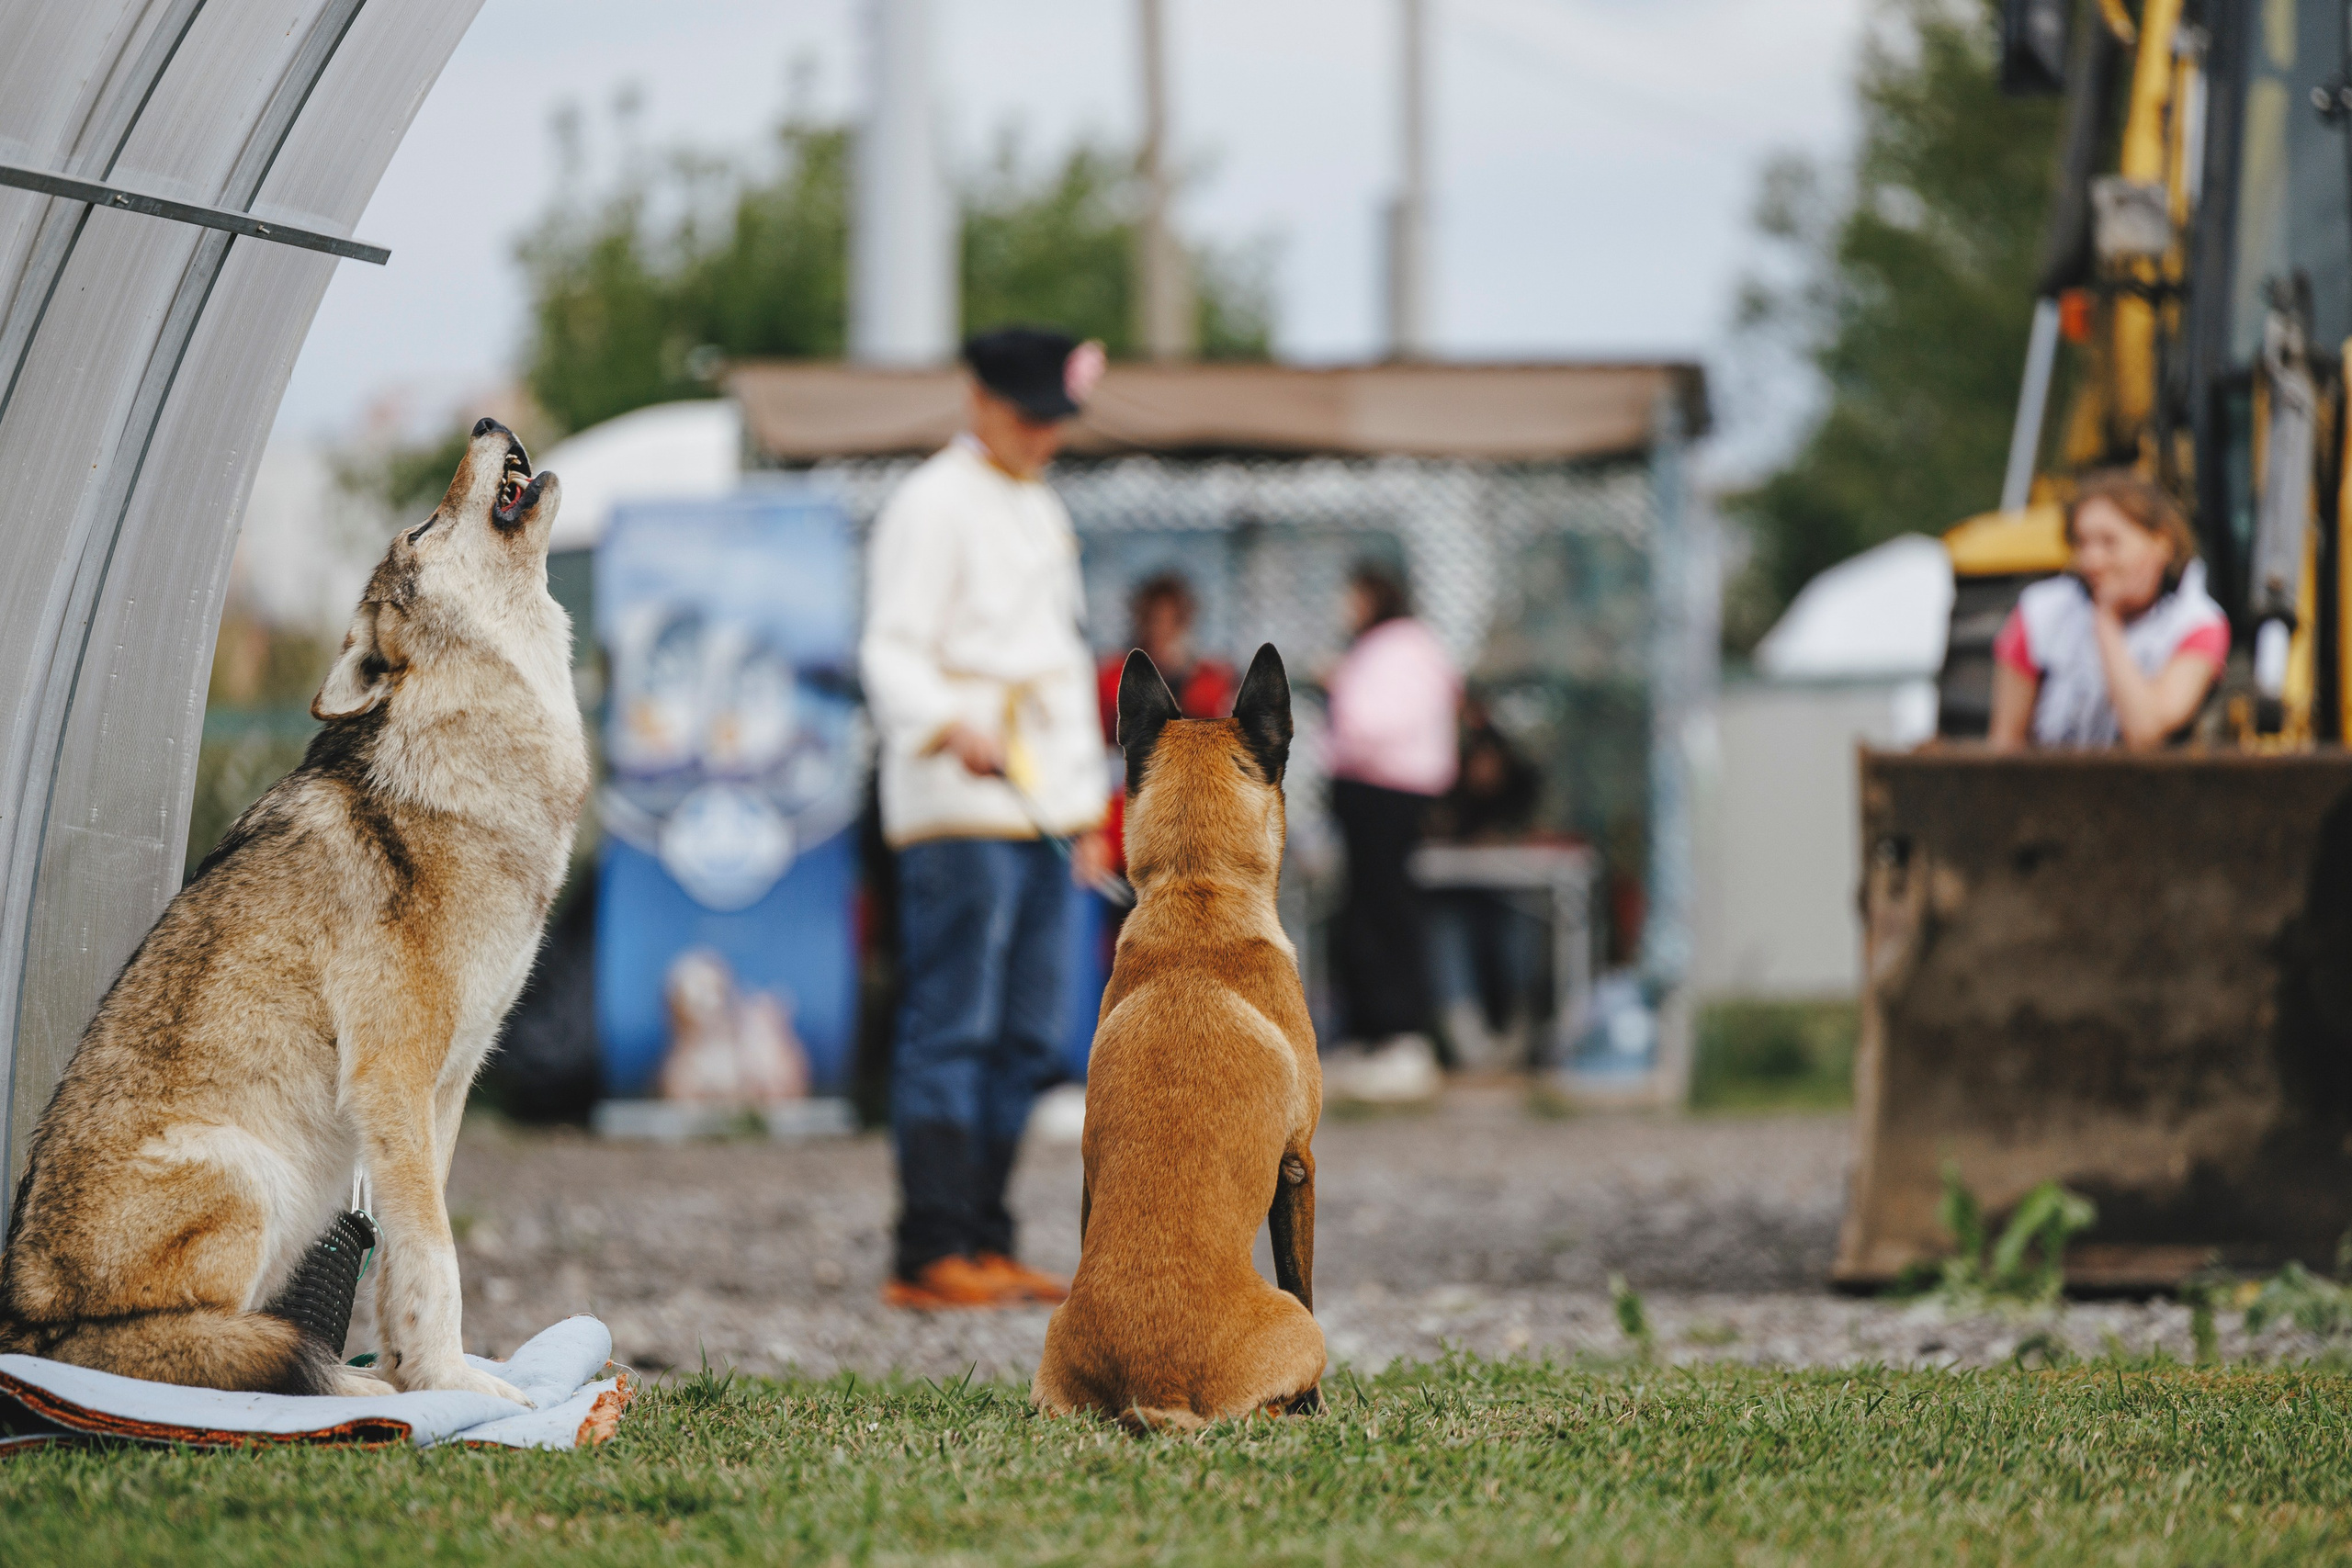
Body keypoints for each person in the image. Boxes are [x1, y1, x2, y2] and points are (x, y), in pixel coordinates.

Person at [860, 325, 1112, 1310]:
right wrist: (942, 721)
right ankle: (929, 1246)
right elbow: (891, 649)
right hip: (961, 795)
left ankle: (986, 1234)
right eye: (1030, 416)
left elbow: (1059, 660)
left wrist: (1088, 807)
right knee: (953, 1022)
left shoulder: (1037, 505)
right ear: (980, 401)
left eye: (1053, 419)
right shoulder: (930, 503)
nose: (1044, 435)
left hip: (1040, 802)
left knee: (1025, 1032)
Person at [1322, 561, 1460, 1102]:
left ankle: (1399, 1030)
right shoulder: (1383, 648)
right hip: (1367, 791)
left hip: (1388, 791)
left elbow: (1375, 720)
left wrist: (1341, 694)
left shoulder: (1403, 648)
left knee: (1386, 913)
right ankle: (1368, 1029)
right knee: (1362, 910)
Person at [1988, 471, 2228, 750]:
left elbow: (2145, 732)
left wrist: (2106, 621)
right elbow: (2005, 743)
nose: (2091, 561)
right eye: (2082, 543)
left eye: (2109, 543)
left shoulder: (2198, 625)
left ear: (2161, 543)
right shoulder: (2039, 613)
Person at [1095, 571, 1237, 872]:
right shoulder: (1114, 679)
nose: (1162, 630)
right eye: (1154, 620)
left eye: (1171, 621)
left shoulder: (1207, 682)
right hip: (1128, 819)